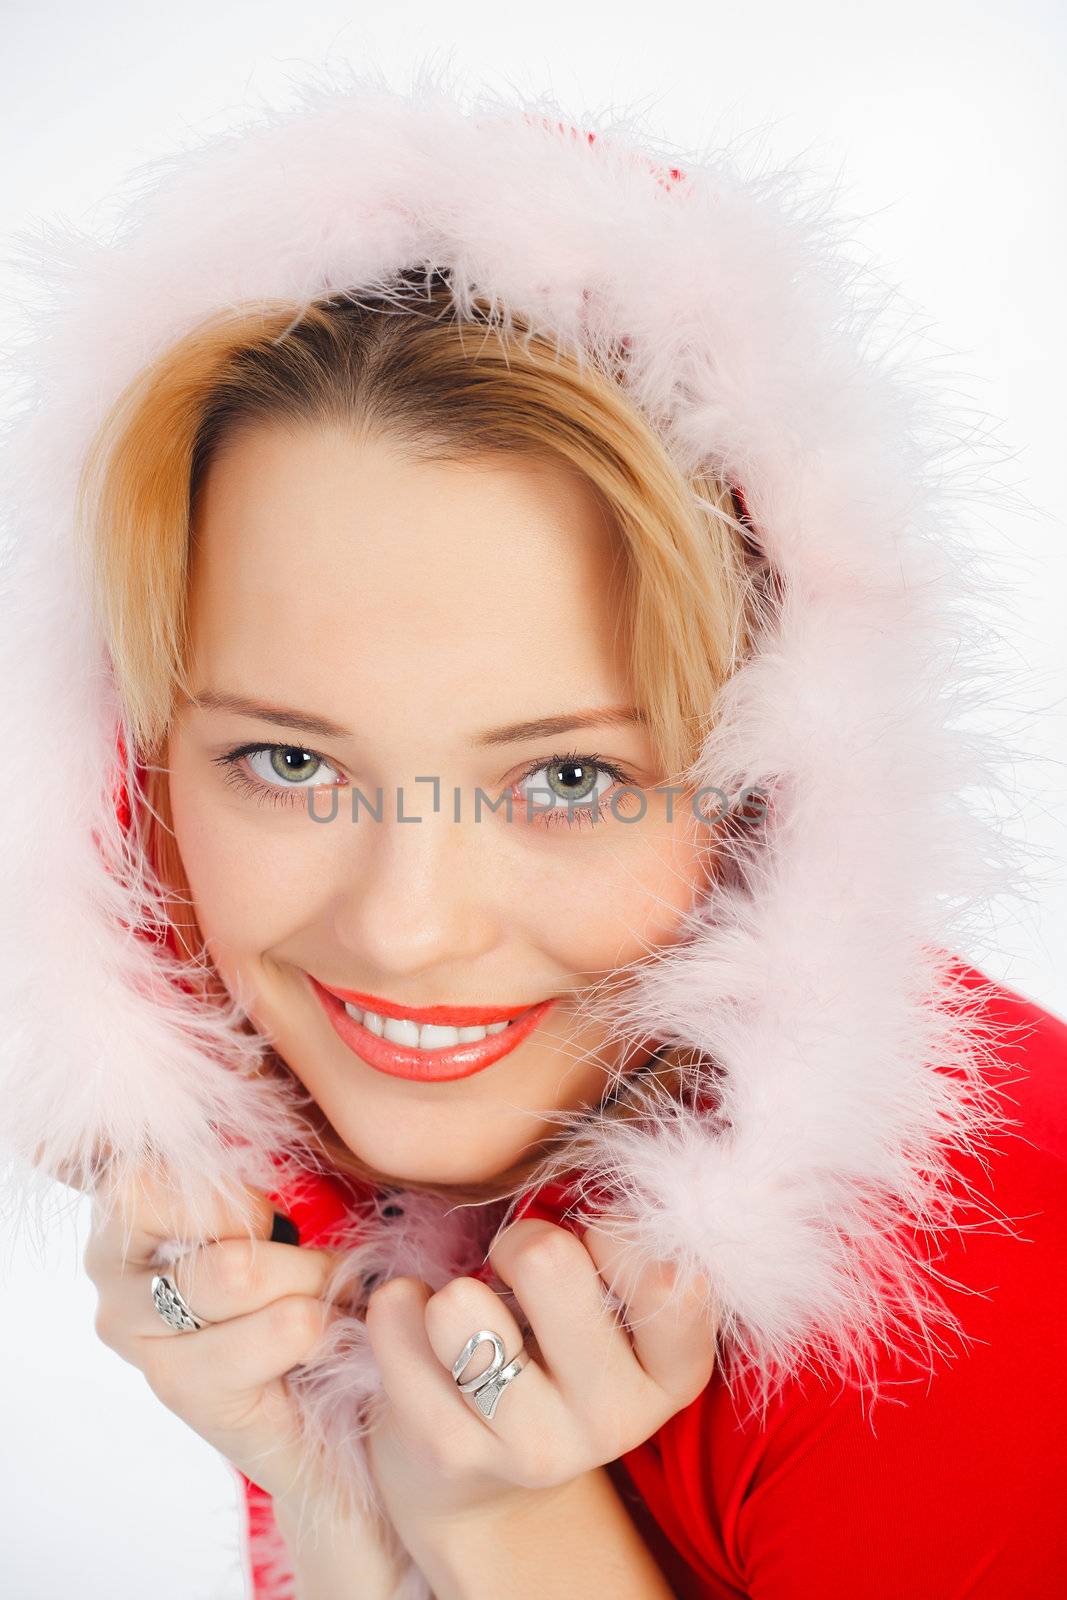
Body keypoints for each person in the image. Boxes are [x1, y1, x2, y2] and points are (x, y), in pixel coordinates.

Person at [1, 69, 1064, 1600]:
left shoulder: (993, 1270)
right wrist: (340, 1477)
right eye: (288, 759)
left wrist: (517, 1535)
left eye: (567, 780)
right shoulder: (349, 1218)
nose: (407, 928)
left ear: (781, 795)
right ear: (130, 767)